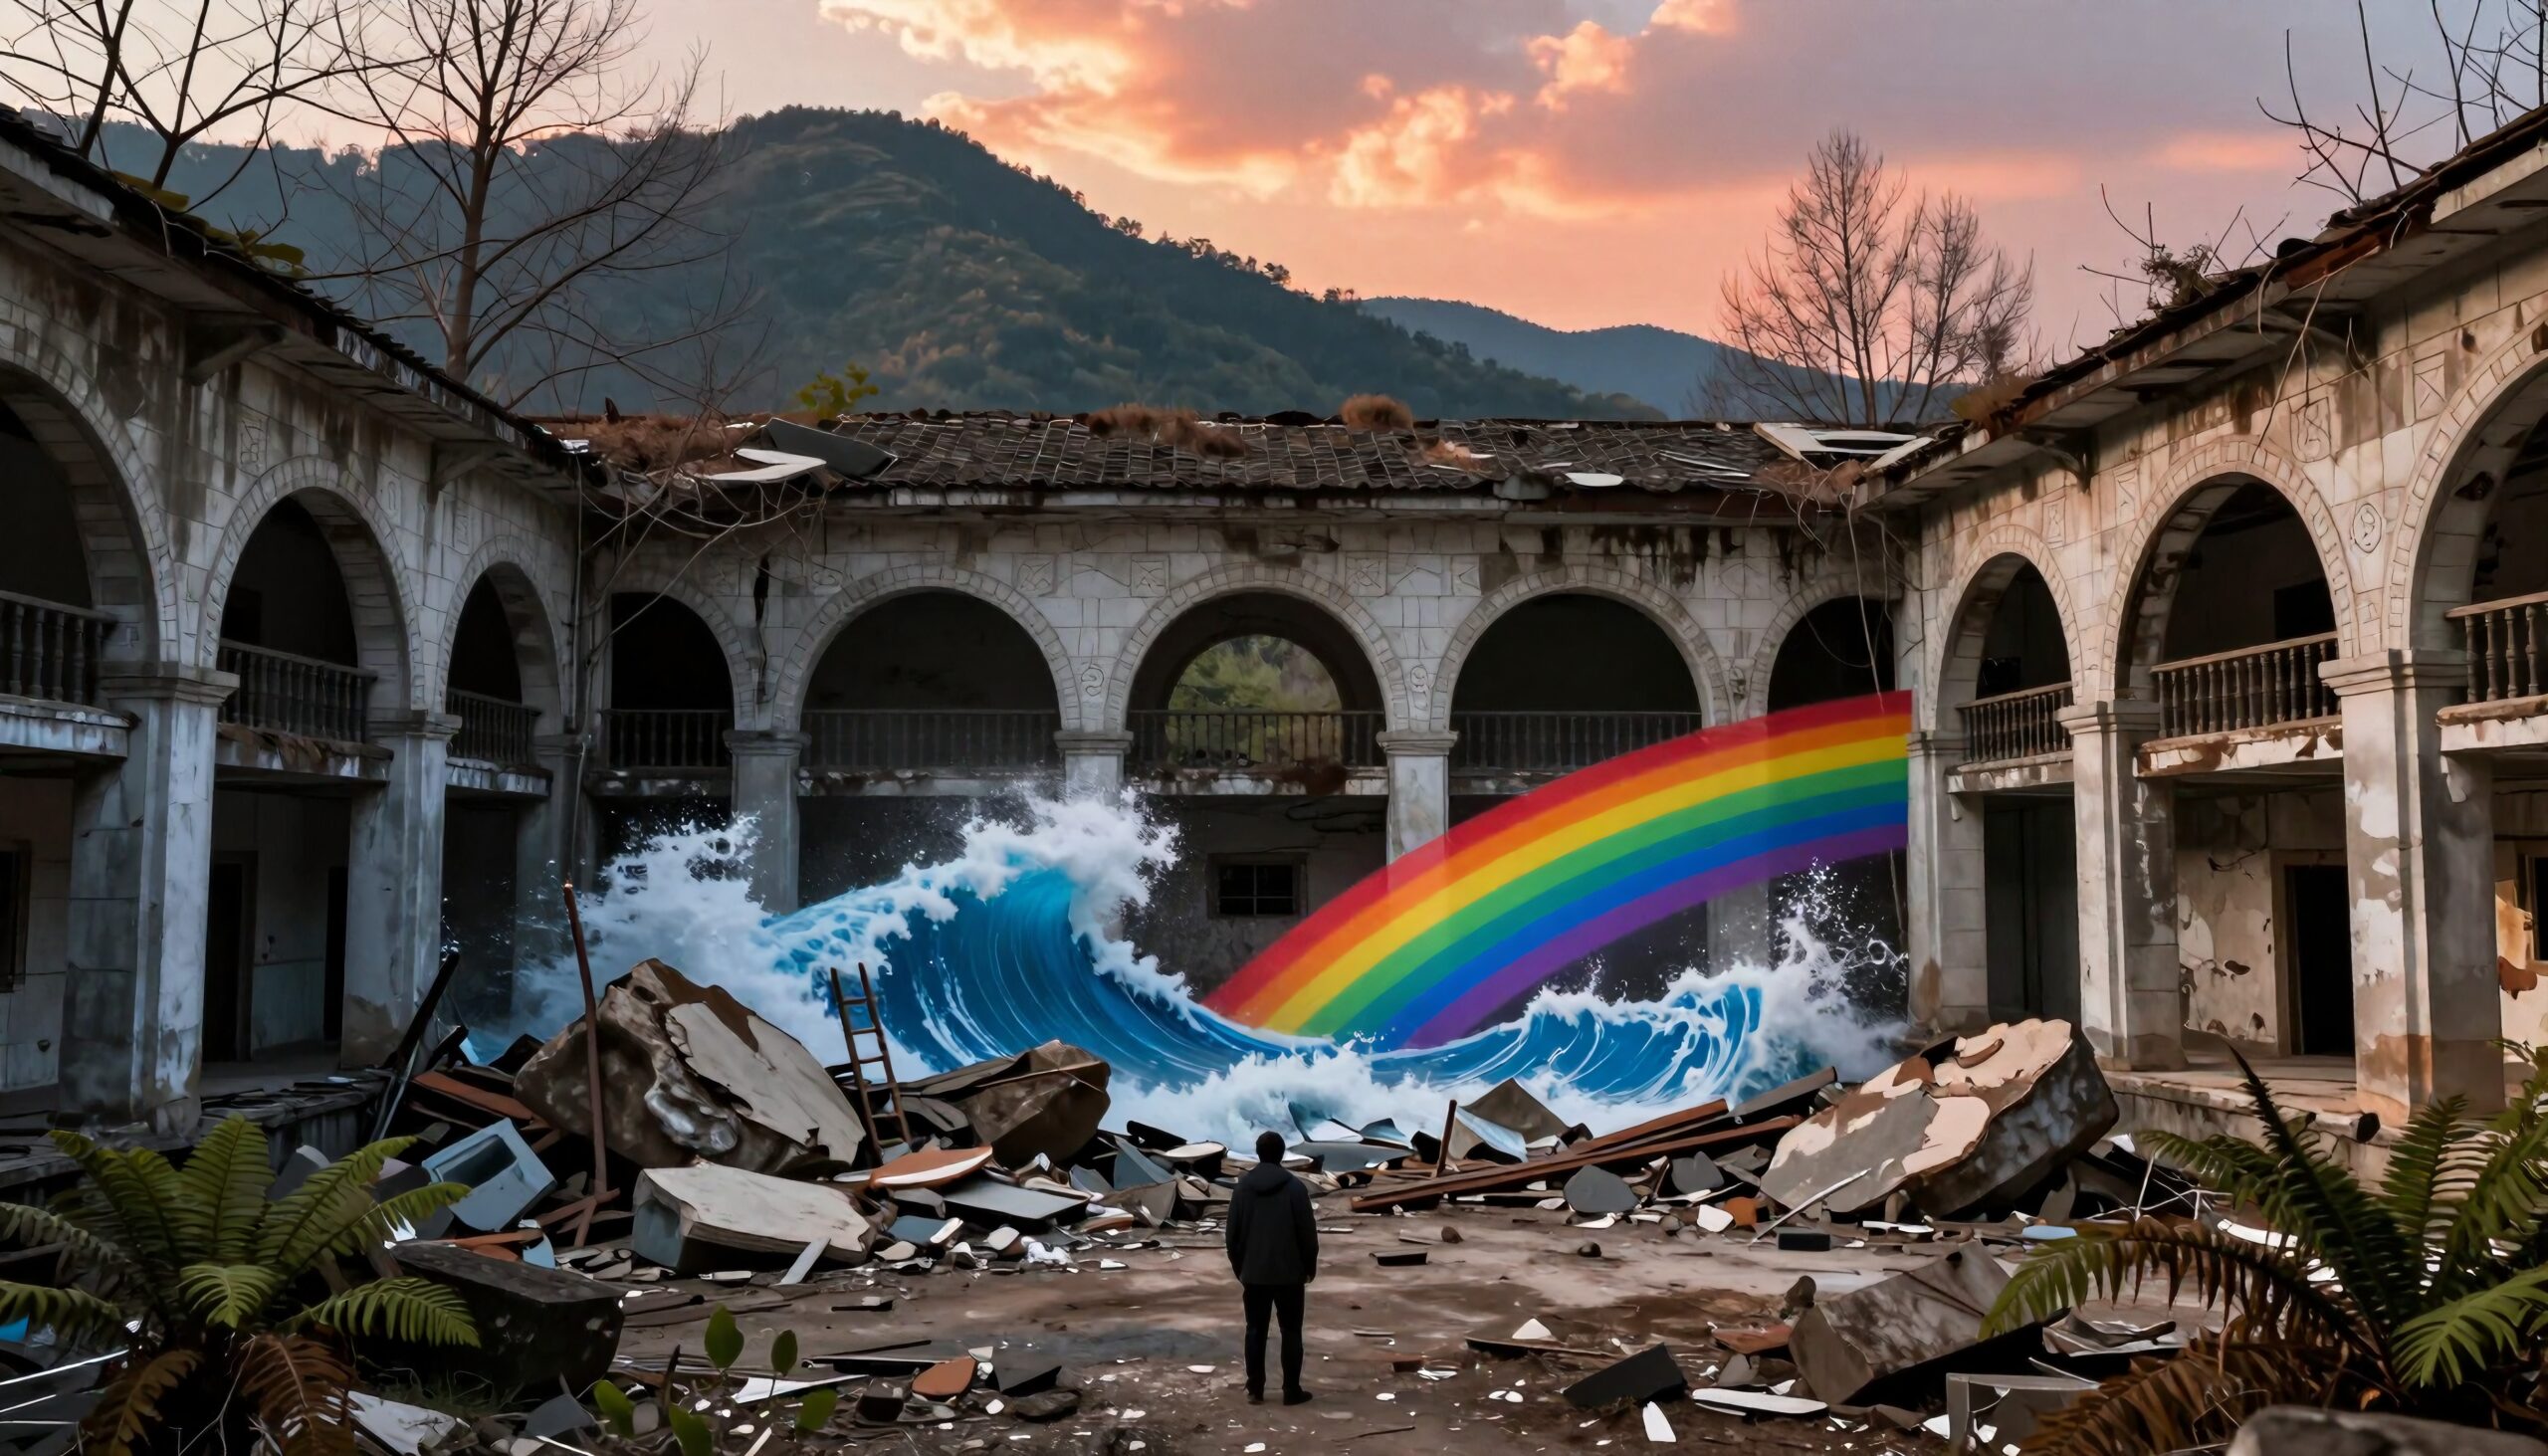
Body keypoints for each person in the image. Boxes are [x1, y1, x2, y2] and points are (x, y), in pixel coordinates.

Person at [1225, 1129, 1318, 1404]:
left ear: (1258, 1153)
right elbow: (1307, 1234)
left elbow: (1232, 1236)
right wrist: (1309, 1266)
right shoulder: (1295, 1188)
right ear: (1281, 1154)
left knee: (1255, 1330)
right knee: (1291, 1331)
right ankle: (1291, 1390)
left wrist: (1240, 1268)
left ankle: (1255, 1389)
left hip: (1254, 1273)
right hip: (1290, 1274)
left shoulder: (1242, 1189)